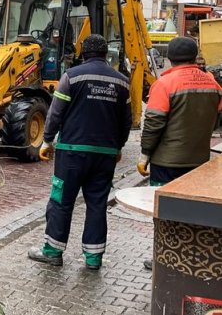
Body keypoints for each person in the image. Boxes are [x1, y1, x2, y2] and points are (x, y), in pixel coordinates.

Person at [28, 34, 131, 270]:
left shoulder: (71, 77)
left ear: (83, 53)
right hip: (105, 154)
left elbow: (56, 112)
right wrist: (118, 147)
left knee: (61, 201)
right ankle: (94, 258)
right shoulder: (122, 82)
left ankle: (53, 252)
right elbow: (125, 122)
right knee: (97, 204)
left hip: (72, 152)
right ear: (106, 54)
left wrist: (46, 141)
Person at [137, 37, 222, 270]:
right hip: (198, 162)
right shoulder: (212, 84)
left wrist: (145, 154)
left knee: (164, 212)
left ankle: (163, 258)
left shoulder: (164, 84)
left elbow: (153, 121)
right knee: (192, 213)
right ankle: (187, 257)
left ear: (170, 58)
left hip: (167, 161)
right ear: (195, 56)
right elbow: (216, 120)